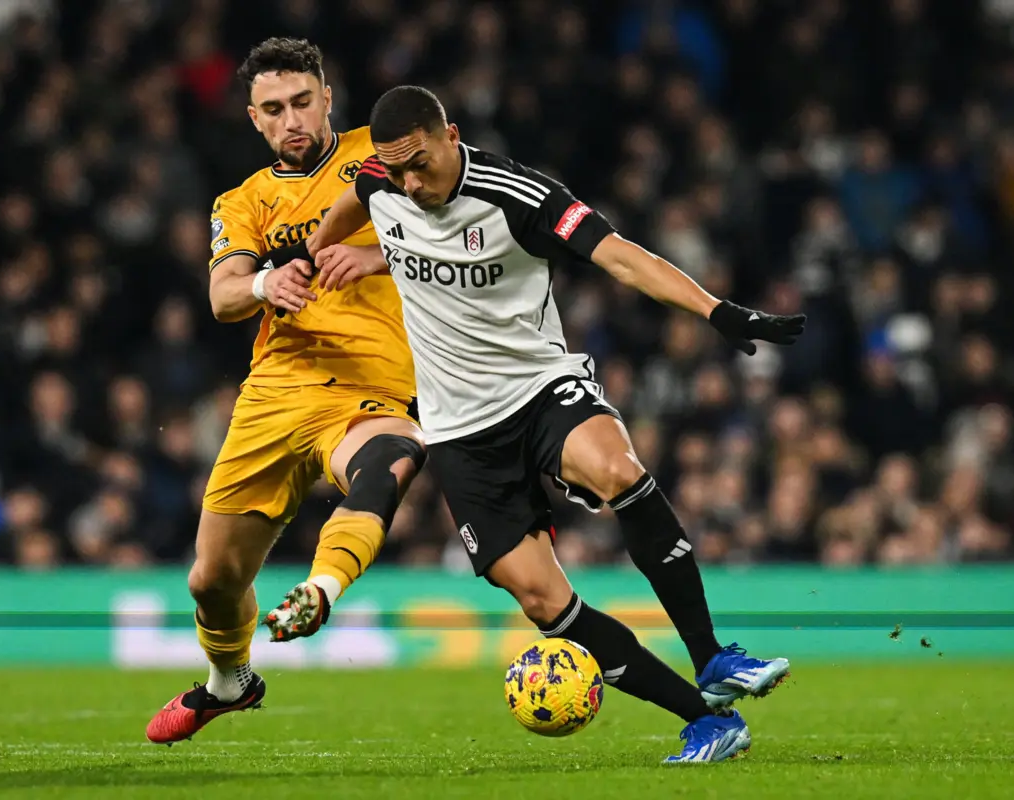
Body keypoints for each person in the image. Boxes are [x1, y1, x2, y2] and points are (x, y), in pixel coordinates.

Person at [301, 86, 806, 763]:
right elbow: (349, 211)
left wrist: (717, 312)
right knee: (544, 601)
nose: (409, 183)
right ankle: (706, 721)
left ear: (451, 134)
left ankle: (711, 655)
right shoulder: (380, 179)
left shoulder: (519, 196)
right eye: (396, 171)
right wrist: (337, 257)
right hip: (456, 431)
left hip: (537, 387)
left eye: (420, 164)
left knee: (618, 469)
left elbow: (623, 256)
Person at [145, 40, 426, 745]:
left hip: (369, 385)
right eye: (274, 109)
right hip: (274, 393)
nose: (292, 119)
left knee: (390, 456)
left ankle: (321, 587)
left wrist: (371, 257)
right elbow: (222, 295)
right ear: (254, 118)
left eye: (303, 102)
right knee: (211, 580)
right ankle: (229, 683)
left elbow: (462, 218)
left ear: (328, 98)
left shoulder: (379, 151)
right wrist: (268, 283)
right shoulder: (243, 202)